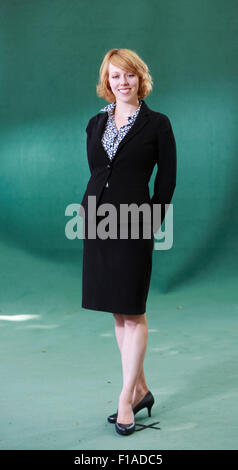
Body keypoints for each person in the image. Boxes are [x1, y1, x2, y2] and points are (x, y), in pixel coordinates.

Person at [79, 48, 177, 435]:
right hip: (98, 224)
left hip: (135, 223)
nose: (123, 82)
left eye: (130, 75)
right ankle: (140, 390)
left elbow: (166, 180)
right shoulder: (94, 124)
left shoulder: (158, 124)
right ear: (107, 82)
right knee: (118, 311)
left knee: (133, 309)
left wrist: (151, 219)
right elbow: (100, 171)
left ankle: (124, 399)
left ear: (141, 79)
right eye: (116, 76)